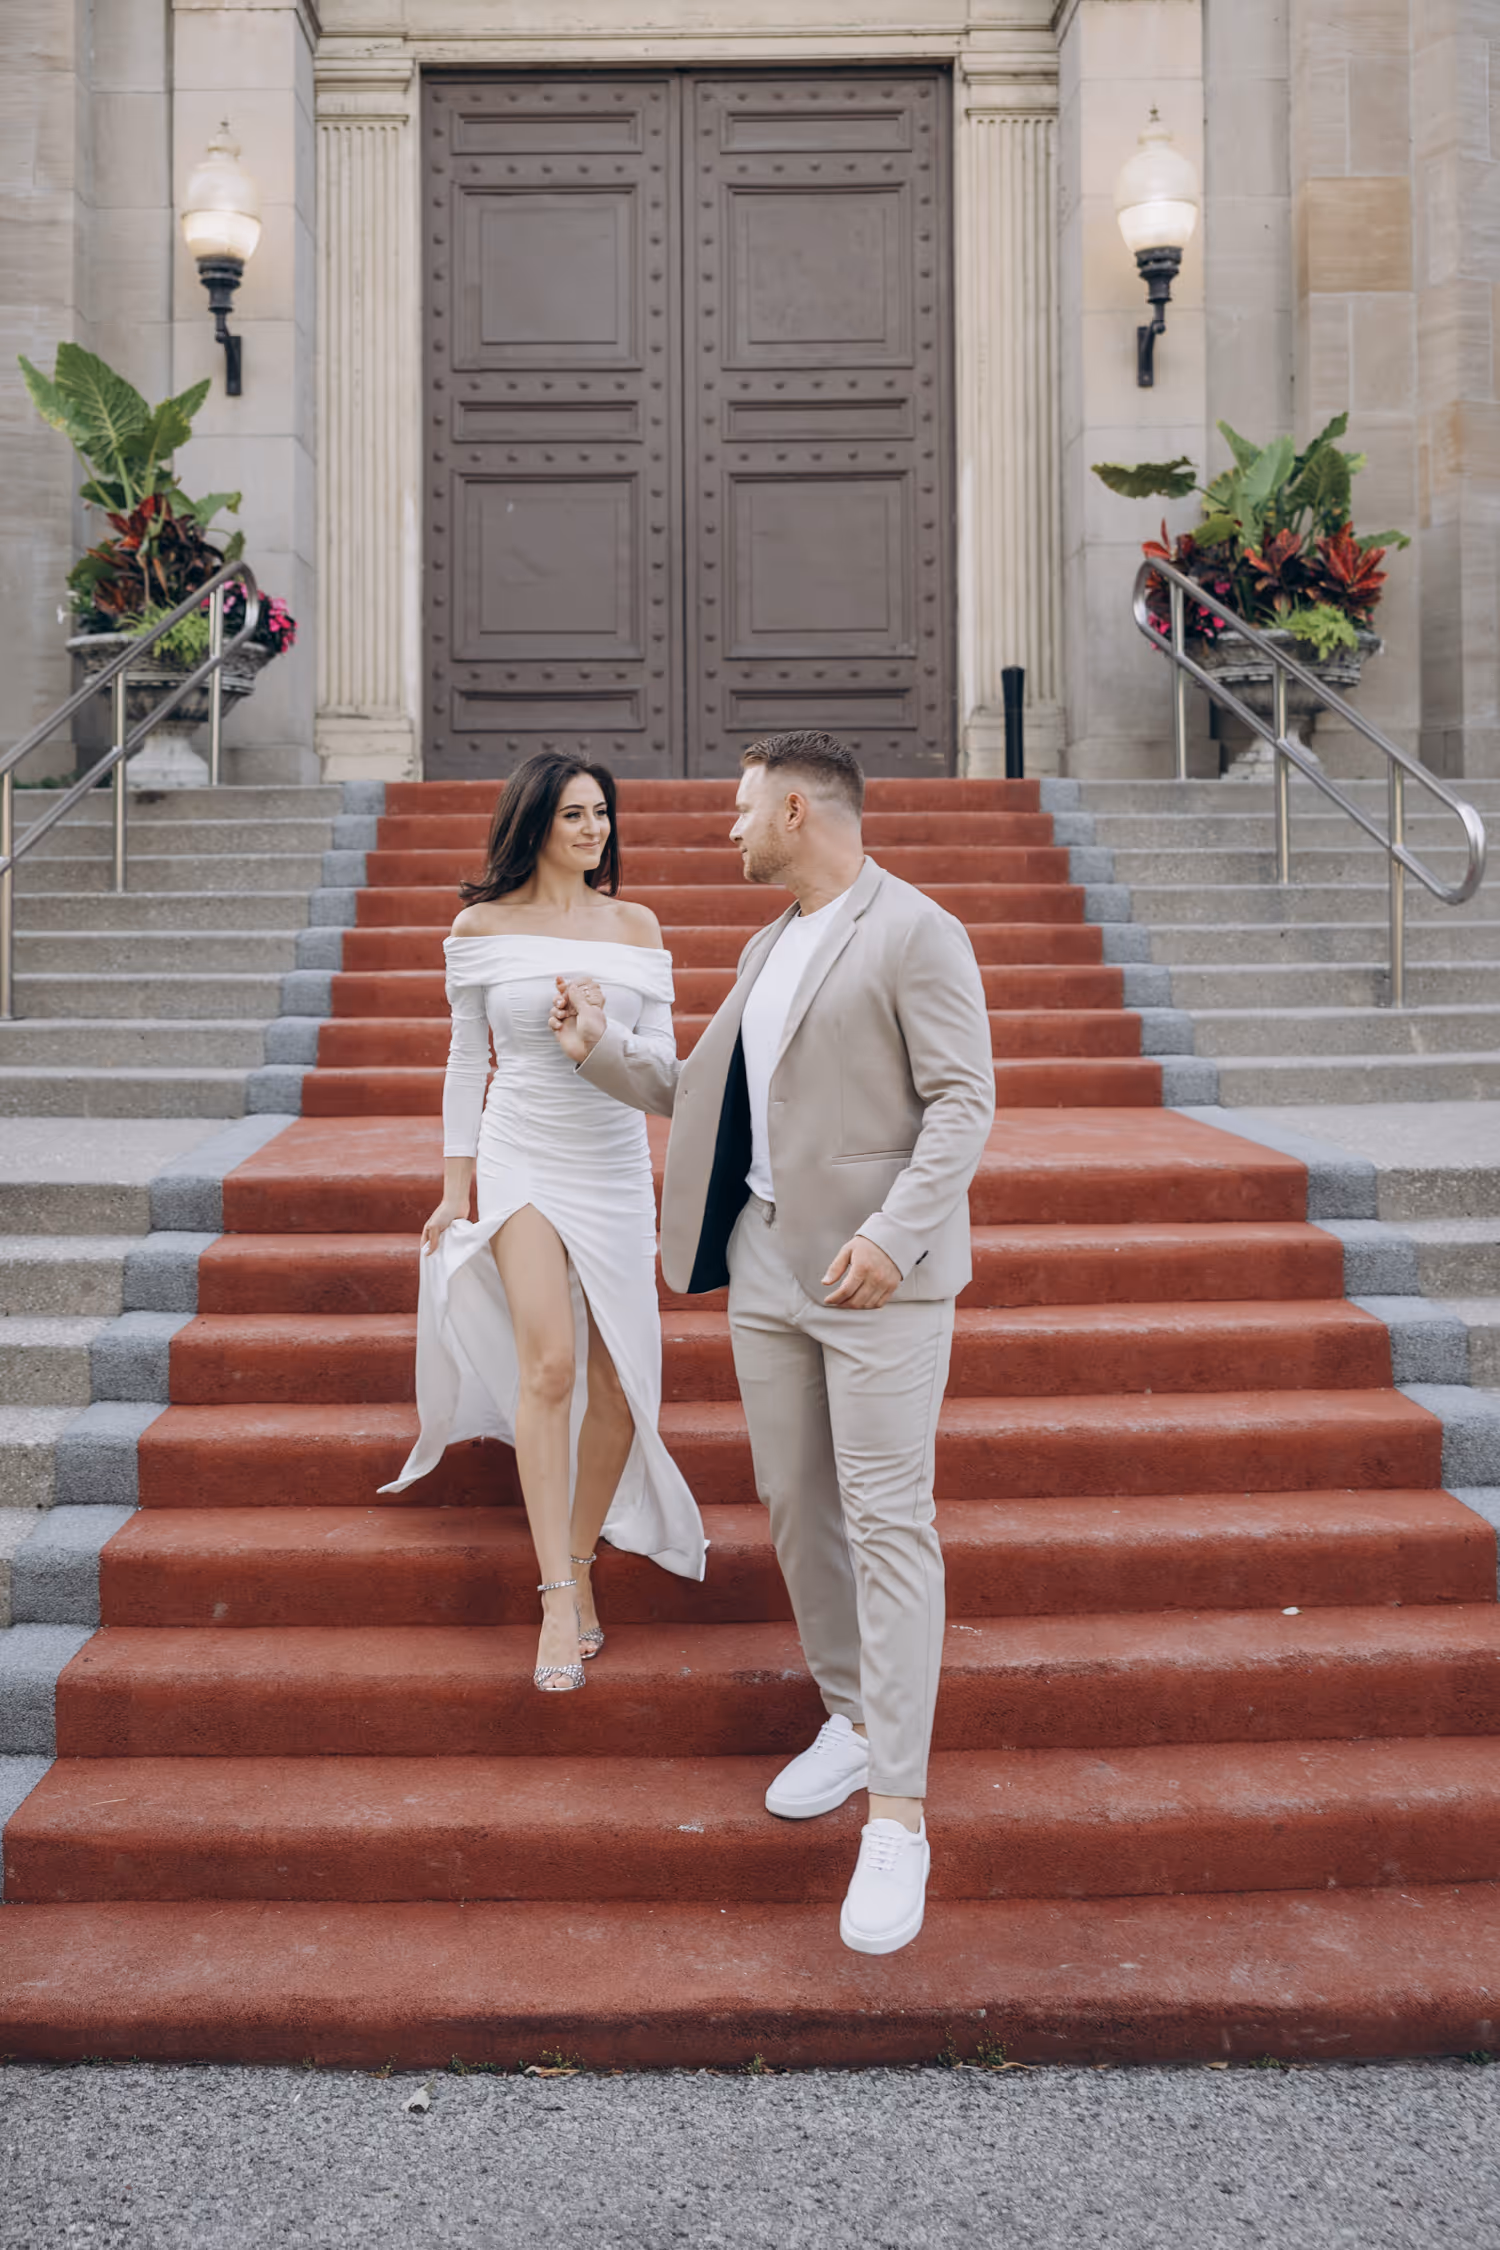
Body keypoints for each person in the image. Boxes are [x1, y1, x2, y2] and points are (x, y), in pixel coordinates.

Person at [551, 730, 995, 1954]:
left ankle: (898, 1815)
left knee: (890, 1518)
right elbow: (707, 1092)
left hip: (879, 1283)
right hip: (766, 1272)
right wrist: (598, 1050)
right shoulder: (764, 944)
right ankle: (853, 1717)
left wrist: (898, 1238)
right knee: (797, 1504)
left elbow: (965, 1101)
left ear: (797, 811)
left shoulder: (916, 931)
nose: (726, 830)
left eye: (742, 812)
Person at [381, 749, 706, 1693]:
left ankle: (582, 1556)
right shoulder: (480, 928)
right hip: (522, 1150)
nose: (593, 829)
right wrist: (455, 1189)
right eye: (573, 814)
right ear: (534, 824)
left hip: (611, 1161)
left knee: (617, 1383)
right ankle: (556, 1593)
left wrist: (604, 1030)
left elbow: (667, 1070)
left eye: (601, 812)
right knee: (552, 1366)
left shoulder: (637, 926)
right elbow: (463, 1067)